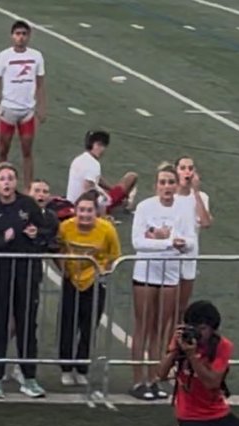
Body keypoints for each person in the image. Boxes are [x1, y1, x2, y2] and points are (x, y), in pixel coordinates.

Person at [0, 161, 47, 398]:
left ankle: (29, 377)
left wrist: (37, 235)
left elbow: (47, 232)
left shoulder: (28, 205)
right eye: (2, 178)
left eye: (10, 178)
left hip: (26, 273)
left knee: (27, 324)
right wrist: (2, 239)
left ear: (16, 183)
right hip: (0, 273)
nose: (6, 182)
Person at [129, 163, 196, 400]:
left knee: (160, 328)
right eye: (162, 182)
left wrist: (173, 241)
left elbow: (189, 241)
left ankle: (154, 378)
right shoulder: (145, 207)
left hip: (170, 274)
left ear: (176, 185)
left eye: (170, 182)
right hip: (146, 273)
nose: (166, 187)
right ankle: (138, 381)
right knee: (143, 326)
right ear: (155, 185)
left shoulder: (184, 209)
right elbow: (138, 241)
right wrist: (166, 242)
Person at [56, 192, 120, 390]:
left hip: (94, 282)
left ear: (96, 212)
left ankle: (82, 367)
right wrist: (63, 269)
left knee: (89, 326)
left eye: (89, 210)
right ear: (75, 211)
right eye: (81, 210)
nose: (85, 215)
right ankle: (66, 368)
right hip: (71, 280)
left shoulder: (106, 229)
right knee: (68, 324)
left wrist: (102, 273)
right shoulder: (65, 227)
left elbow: (114, 256)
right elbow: (56, 249)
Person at [0, 20, 46, 189]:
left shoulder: (36, 56)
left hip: (27, 111)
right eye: (18, 34)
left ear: (29, 36)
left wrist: (42, 108)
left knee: (27, 151)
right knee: (3, 151)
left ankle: (28, 188)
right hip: (8, 109)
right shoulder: (3, 56)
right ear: (12, 36)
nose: (21, 37)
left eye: (24, 34)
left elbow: (41, 83)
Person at [173, 154, 212, 315]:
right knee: (167, 305)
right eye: (183, 168)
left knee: (181, 307)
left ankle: (176, 337)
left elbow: (206, 222)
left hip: (189, 256)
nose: (187, 172)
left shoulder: (201, 197)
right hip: (170, 255)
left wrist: (195, 193)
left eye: (190, 168)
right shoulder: (169, 196)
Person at [65, 130, 137, 217]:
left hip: (72, 202)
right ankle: (126, 203)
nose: (102, 149)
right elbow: (88, 188)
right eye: (99, 145)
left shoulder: (80, 159)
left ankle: (123, 200)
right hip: (87, 206)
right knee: (132, 177)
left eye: (103, 145)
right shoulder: (93, 164)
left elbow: (96, 179)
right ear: (91, 145)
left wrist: (110, 188)